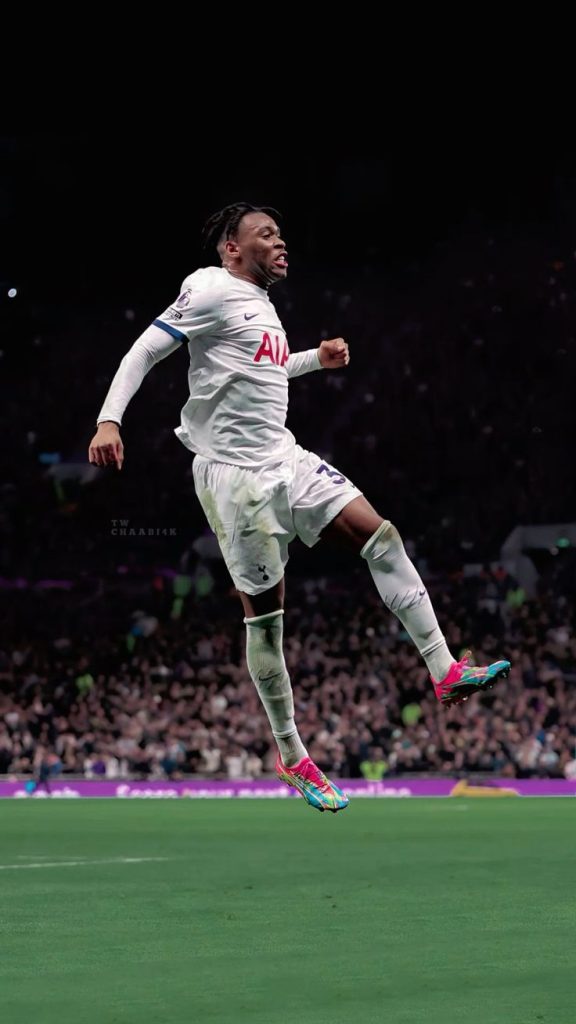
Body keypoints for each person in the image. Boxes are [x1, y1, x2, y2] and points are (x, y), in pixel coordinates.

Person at [88, 202, 510, 814]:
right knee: (267, 622)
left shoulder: (262, 305)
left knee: (380, 536)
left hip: (285, 458)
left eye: (281, 233)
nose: (281, 241)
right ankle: (292, 754)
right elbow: (144, 351)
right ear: (232, 249)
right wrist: (109, 420)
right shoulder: (209, 288)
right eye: (266, 234)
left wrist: (317, 359)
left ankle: (445, 670)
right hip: (236, 481)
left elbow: (267, 369)